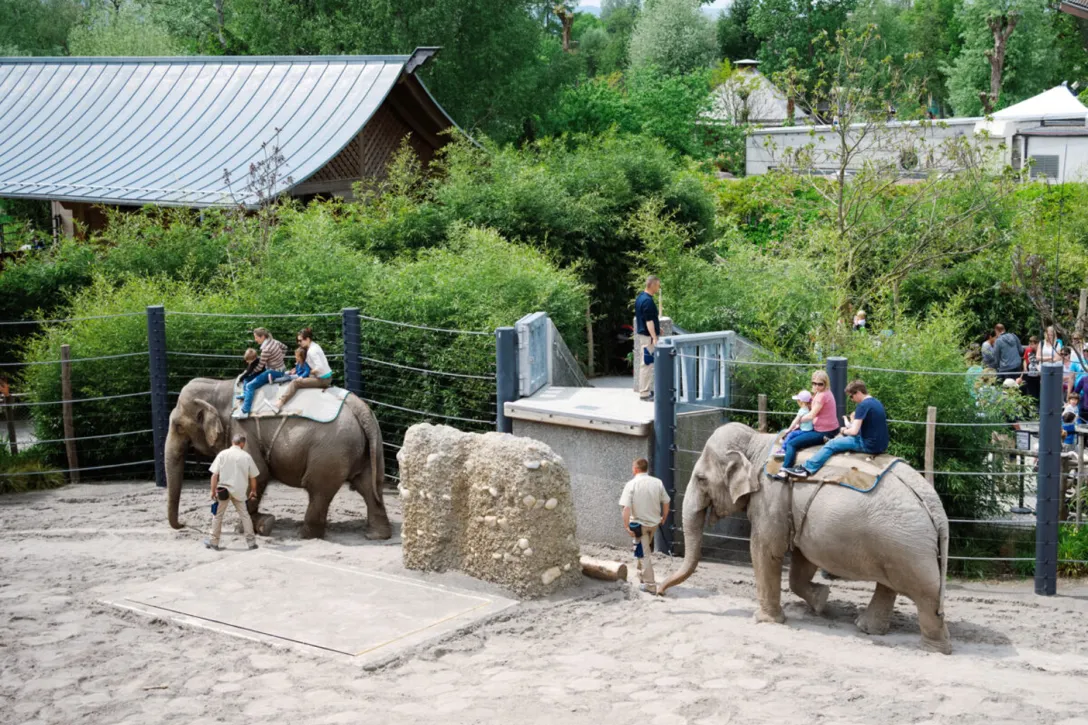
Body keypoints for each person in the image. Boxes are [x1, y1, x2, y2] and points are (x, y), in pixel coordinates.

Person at [783, 380, 889, 478]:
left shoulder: (862, 406)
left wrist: (843, 431)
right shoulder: (876, 402)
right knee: (843, 437)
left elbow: (853, 431)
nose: (852, 400)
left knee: (831, 445)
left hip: (868, 445)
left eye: (851, 396)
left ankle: (806, 468)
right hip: (882, 445)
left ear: (858, 392)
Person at [619, 457, 670, 594]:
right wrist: (664, 517)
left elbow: (626, 509)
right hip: (654, 524)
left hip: (639, 525)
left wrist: (626, 526)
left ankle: (650, 585)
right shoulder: (657, 482)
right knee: (642, 550)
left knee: (644, 554)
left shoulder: (631, 484)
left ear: (635, 469)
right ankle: (642, 576)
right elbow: (666, 501)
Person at [205, 432, 260, 551]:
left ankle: (214, 542)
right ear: (243, 444)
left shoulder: (223, 454)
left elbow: (214, 475)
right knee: (245, 516)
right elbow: (253, 478)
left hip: (223, 490)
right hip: (239, 492)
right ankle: (251, 543)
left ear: (232, 442)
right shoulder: (246, 456)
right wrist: (253, 491)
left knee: (217, 516)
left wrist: (212, 491)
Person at [778, 370, 839, 474]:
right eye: (814, 383)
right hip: (827, 428)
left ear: (826, 383)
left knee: (792, 444)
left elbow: (811, 415)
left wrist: (798, 420)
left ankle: (785, 469)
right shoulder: (824, 392)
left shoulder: (822, 396)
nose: (816, 386)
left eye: (820, 384)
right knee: (795, 433)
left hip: (824, 432)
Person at [271, 327, 333, 413]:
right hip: (324, 377)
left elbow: (320, 367)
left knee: (295, 382)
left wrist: (309, 372)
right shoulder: (314, 346)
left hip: (323, 380)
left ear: (307, 339)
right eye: (298, 341)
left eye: (300, 341)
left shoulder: (312, 351)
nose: (299, 343)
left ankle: (279, 403)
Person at [238, 327, 288, 416]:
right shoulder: (274, 341)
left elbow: (259, 367)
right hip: (282, 368)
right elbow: (285, 348)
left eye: (256, 337)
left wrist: (248, 374)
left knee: (250, 385)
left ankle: (245, 411)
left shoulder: (266, 349)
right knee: (251, 378)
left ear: (262, 337)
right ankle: (245, 395)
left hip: (274, 372)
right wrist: (280, 358)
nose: (255, 339)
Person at [635, 276, 661, 401]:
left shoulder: (641, 298)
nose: (658, 287)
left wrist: (658, 328)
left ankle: (645, 390)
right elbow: (649, 321)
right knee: (647, 363)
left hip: (644, 335)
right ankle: (644, 393)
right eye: (658, 285)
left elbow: (648, 319)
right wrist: (654, 337)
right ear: (653, 285)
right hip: (648, 337)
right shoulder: (648, 302)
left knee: (646, 363)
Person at [773, 390, 814, 457]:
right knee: (794, 431)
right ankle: (784, 439)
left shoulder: (802, 410)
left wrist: (789, 429)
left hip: (804, 431)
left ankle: (783, 449)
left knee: (791, 434)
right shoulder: (809, 409)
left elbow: (795, 421)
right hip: (809, 430)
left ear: (801, 402)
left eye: (797, 400)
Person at [1022, 335, 1040, 400]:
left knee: (1038, 392)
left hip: (1038, 375)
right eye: (1030, 344)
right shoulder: (1028, 350)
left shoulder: (1040, 351)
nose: (1030, 346)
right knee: (1030, 393)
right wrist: (1025, 368)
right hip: (1029, 375)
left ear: (1037, 344)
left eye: (1032, 344)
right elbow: (1024, 359)